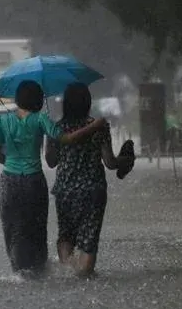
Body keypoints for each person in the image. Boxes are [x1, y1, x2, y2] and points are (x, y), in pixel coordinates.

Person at [0, 80, 106, 278]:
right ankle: (39, 270)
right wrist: (94, 126)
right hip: (34, 180)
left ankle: (19, 272)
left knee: (12, 226)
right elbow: (66, 139)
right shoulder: (40, 119)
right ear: (37, 99)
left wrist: (11, 165)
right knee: (36, 227)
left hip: (9, 181)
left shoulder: (2, 121)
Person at [45, 82, 128, 277]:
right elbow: (110, 162)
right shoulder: (98, 127)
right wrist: (125, 160)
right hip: (93, 190)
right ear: (88, 103)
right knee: (88, 239)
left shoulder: (57, 128)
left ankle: (69, 270)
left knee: (66, 234)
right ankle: (83, 271)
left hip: (65, 190)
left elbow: (50, 162)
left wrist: (49, 139)